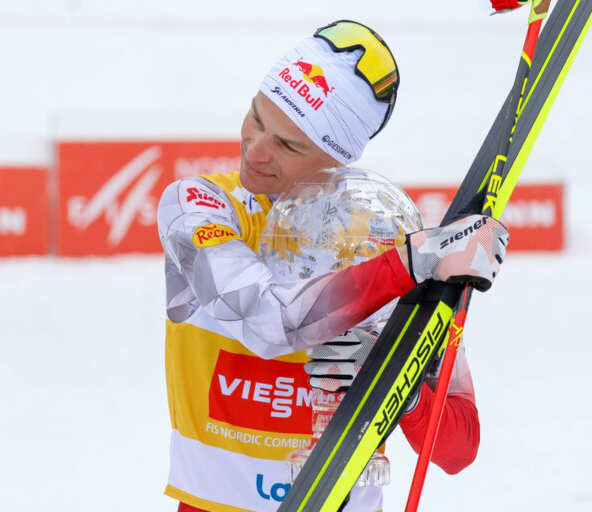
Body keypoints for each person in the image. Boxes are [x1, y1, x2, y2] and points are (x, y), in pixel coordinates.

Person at [157, 20, 509, 512]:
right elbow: (265, 320)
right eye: (256, 118)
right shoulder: (201, 205)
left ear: (336, 160)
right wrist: (413, 263)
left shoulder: (383, 235)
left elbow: (457, 448)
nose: (256, 150)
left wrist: (399, 387)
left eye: (289, 145)